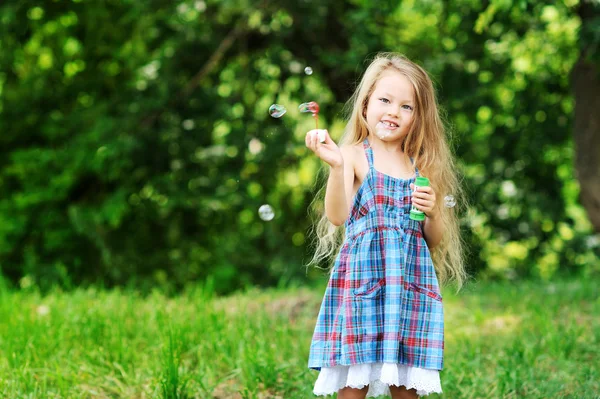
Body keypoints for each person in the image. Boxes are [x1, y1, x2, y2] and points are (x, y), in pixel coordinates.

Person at [305, 52, 467, 399]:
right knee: (354, 381)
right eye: (385, 100)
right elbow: (337, 215)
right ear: (365, 105)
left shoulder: (419, 166)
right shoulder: (353, 156)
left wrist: (434, 212)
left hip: (407, 290)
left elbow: (432, 240)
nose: (394, 111)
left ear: (418, 117)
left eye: (406, 106)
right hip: (364, 287)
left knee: (405, 385)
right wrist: (335, 168)